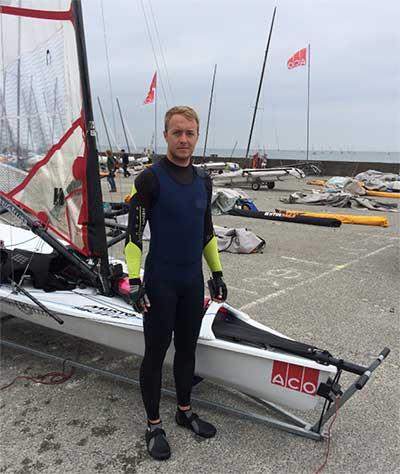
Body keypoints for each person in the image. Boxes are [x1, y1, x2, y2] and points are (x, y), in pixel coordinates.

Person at [124, 106, 227, 461]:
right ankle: (153, 424)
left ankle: (184, 411)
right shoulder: (150, 179)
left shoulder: (203, 179)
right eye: (177, 133)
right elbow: (134, 237)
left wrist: (217, 274)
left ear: (197, 136)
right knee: (155, 354)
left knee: (187, 350)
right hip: (160, 283)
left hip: (190, 282)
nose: (184, 139)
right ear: (165, 135)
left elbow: (207, 232)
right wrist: (136, 283)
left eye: (190, 133)